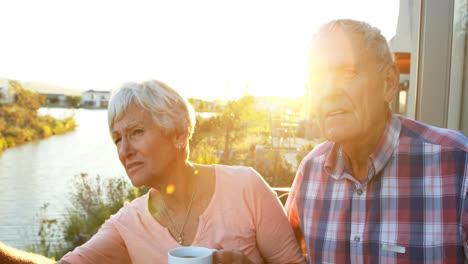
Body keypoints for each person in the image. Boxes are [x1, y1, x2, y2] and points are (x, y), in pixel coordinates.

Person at [1, 80, 306, 264]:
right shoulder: (127, 225)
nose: (124, 150)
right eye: (117, 139)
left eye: (135, 132)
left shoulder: (245, 187)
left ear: (178, 135)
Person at [285, 18, 468, 263]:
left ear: (389, 82)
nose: (329, 90)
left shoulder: (458, 165)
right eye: (318, 78)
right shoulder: (310, 172)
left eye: (348, 73)